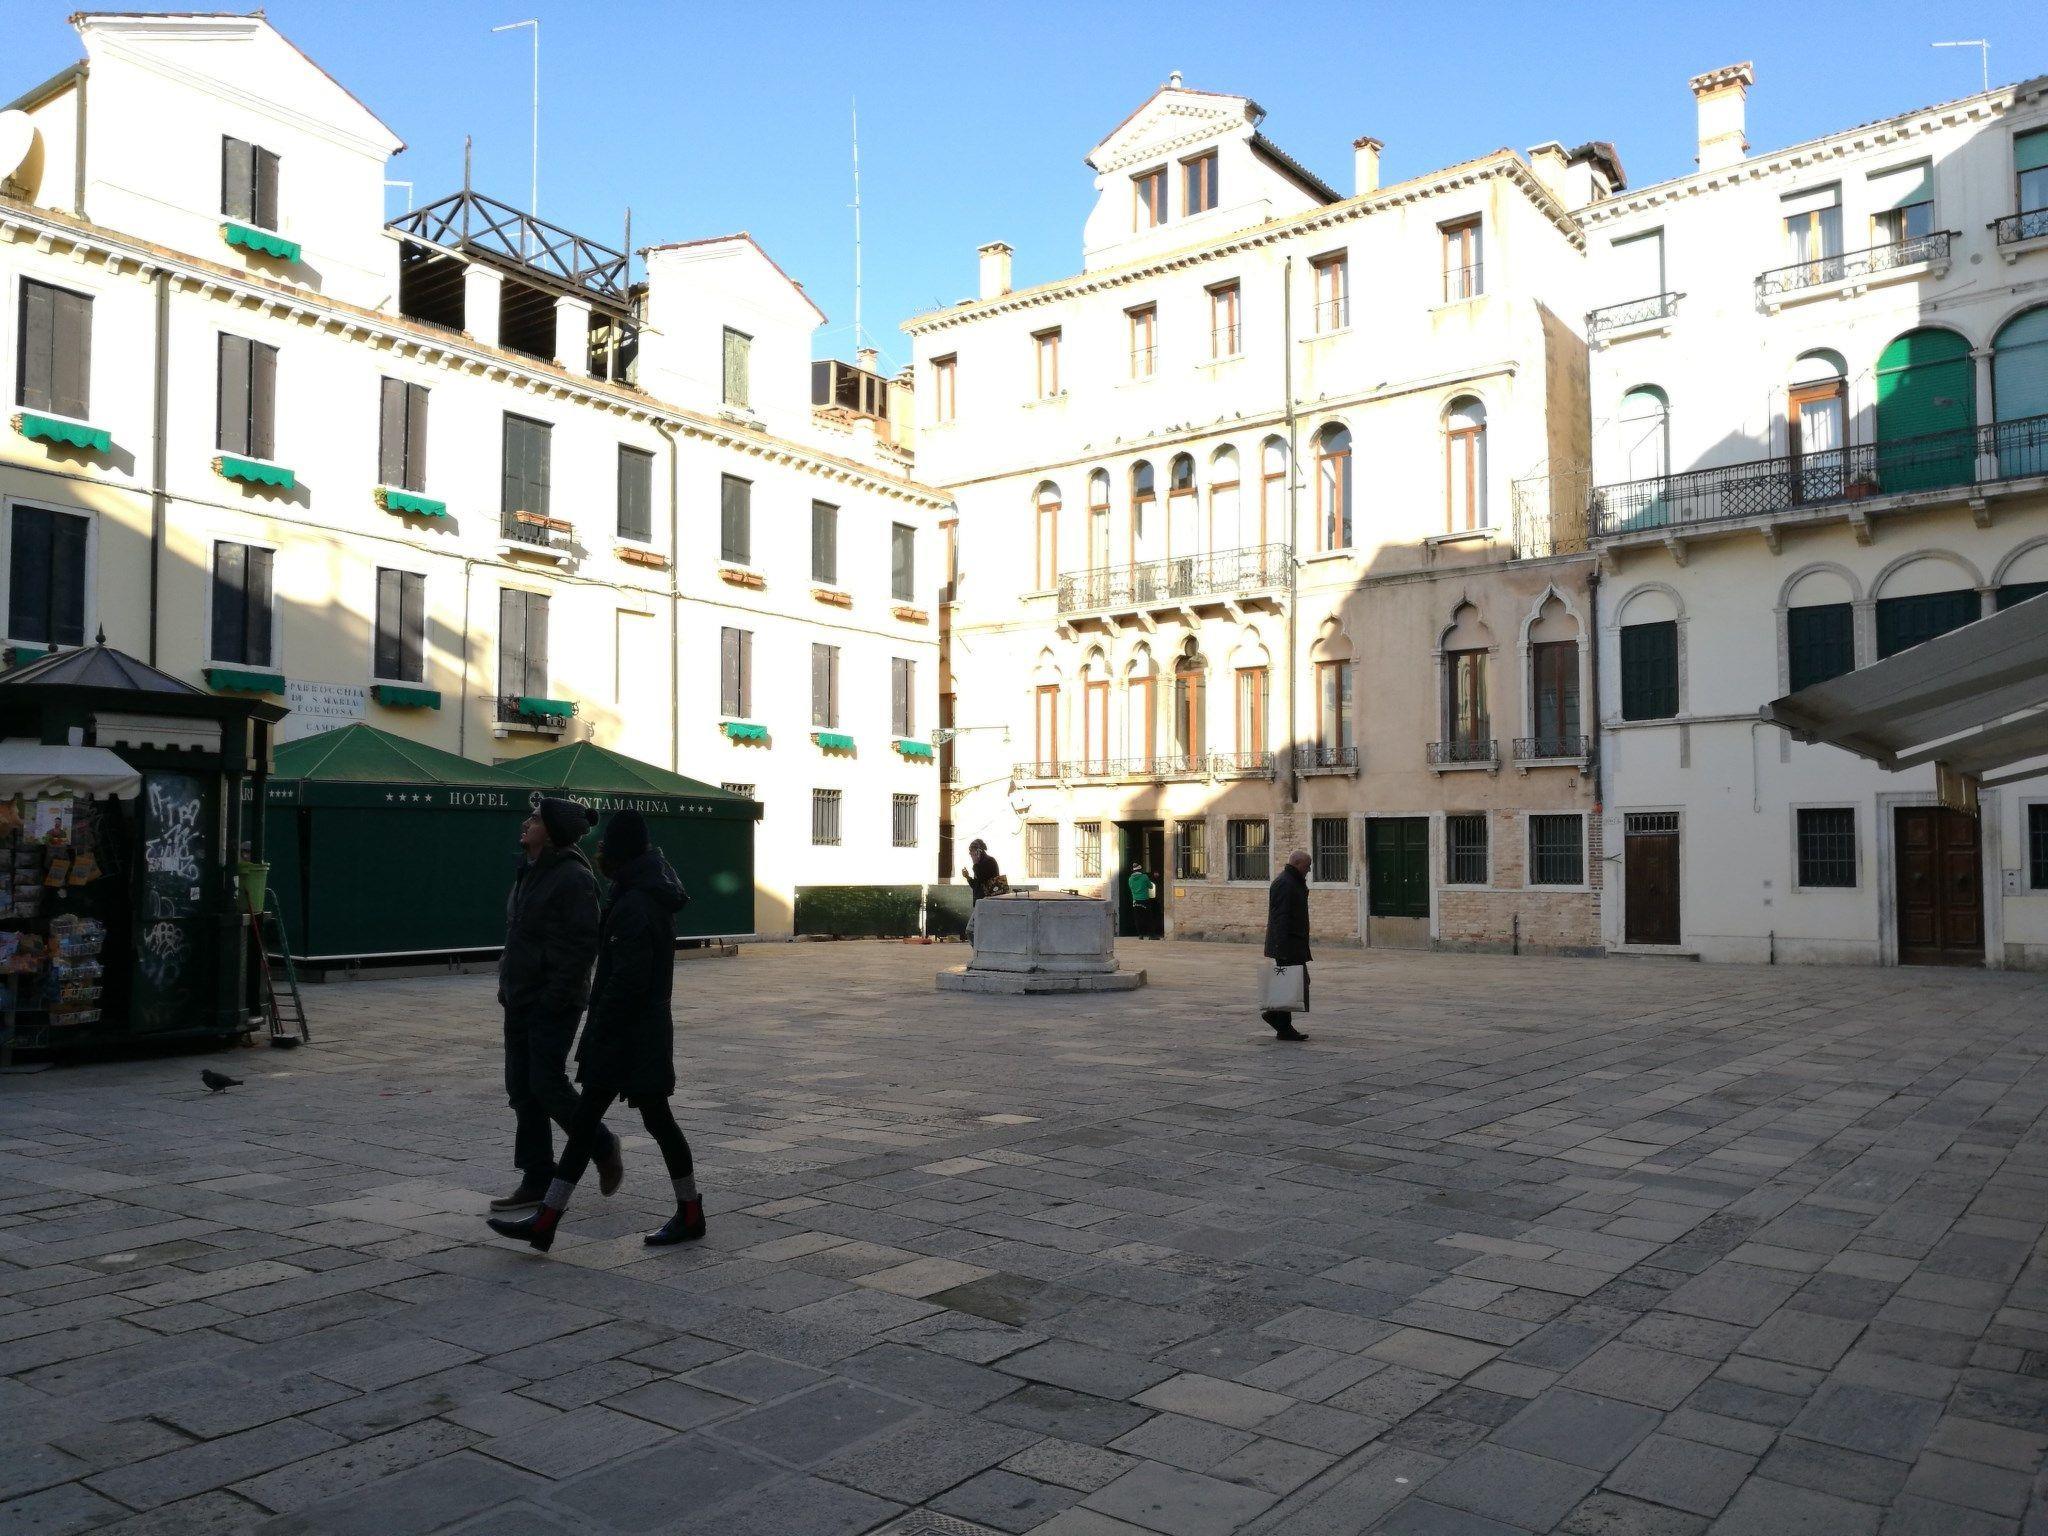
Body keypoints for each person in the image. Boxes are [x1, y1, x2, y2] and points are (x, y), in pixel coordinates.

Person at [488, 809, 702, 1252]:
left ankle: (689, 1212)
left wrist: (596, 1032)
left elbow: (626, 981)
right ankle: (548, 1218)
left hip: (631, 1035)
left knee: (654, 1121)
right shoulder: (633, 894)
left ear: (621, 851)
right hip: (629, 1032)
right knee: (589, 1124)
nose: (598, 848)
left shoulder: (637, 904)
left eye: (606, 844)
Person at [490, 798, 624, 1214]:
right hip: (519, 995)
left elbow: (583, 946)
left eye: (534, 819)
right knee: (521, 1088)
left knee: (546, 1084)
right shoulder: (530, 870)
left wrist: (553, 998)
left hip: (552, 1001)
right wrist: (507, 980)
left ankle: (602, 1144)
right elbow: (520, 934)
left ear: (550, 831)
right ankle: (536, 1176)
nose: (526, 823)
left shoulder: (572, 877)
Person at [1261, 849, 1312, 1042]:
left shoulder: (1293, 882)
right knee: (1289, 984)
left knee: (1296, 982)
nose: (1309, 870)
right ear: (1297, 864)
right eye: (1307, 866)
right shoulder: (1284, 883)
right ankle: (1282, 1025)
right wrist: (1280, 948)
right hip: (1287, 945)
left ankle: (1278, 1019)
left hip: (1294, 943)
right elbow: (1280, 917)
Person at [1125, 860, 1159, 938]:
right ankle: (1151, 935)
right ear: (1140, 870)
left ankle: (1140, 934)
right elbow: (1151, 886)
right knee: (1148, 918)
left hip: (1135, 900)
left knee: (1138, 918)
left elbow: (1131, 887)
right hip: (1145, 900)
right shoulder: (1144, 877)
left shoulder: (1130, 879)